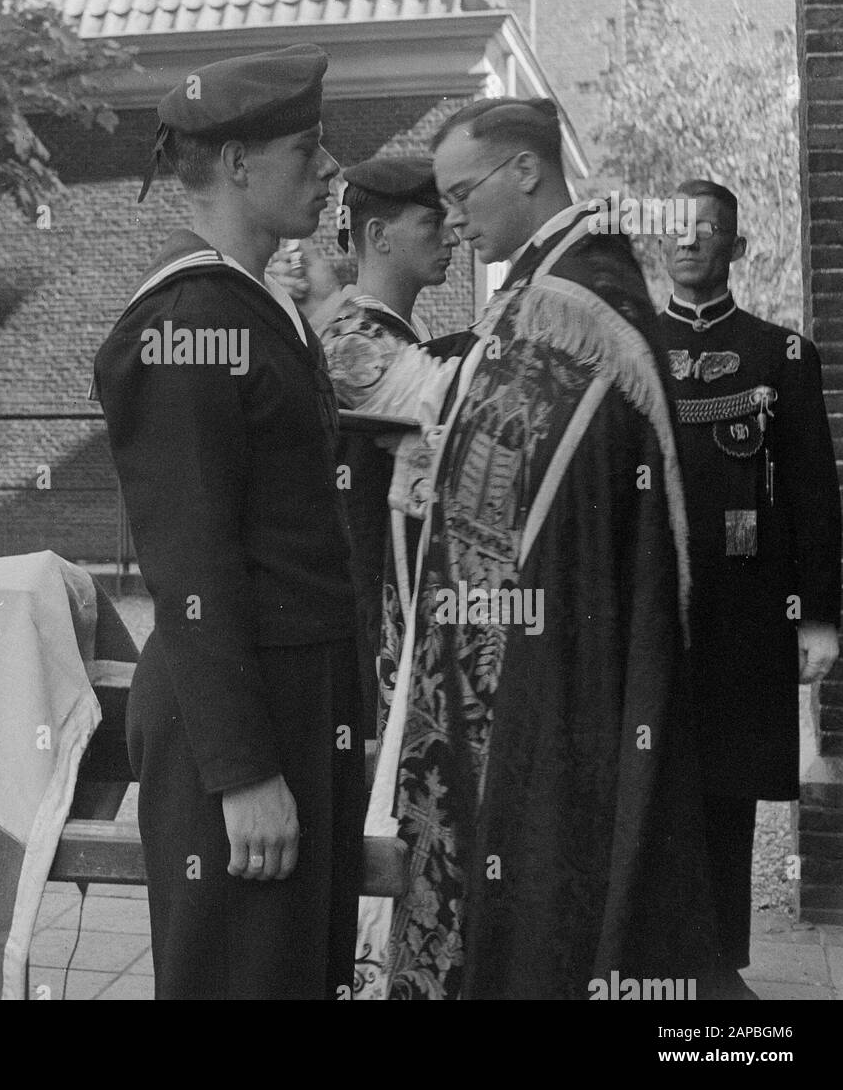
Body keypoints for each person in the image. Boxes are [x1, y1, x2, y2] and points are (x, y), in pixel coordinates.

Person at [351, 97, 717, 999]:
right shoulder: (536, 290)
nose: (453, 218)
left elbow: (546, 494)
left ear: (525, 171)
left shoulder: (579, 299)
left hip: (539, 667)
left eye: (462, 192)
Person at [92, 43, 364, 999]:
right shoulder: (184, 322)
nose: (330, 169)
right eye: (308, 148)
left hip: (292, 702)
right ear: (241, 166)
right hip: (239, 721)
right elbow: (191, 563)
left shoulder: (255, 309)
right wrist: (244, 773)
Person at [660, 179, 841, 1000]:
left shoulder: (780, 354)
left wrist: (821, 617)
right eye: (678, 228)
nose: (690, 241)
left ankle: (717, 963)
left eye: (709, 231)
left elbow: (812, 493)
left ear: (734, 248)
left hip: (741, 608)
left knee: (726, 786)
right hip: (651, 606)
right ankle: (657, 956)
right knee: (653, 777)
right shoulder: (624, 345)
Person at [310, 153, 459, 739]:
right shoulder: (352, 343)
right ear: (379, 235)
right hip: (369, 615)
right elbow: (455, 399)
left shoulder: (393, 335)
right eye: (431, 222)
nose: (451, 235)